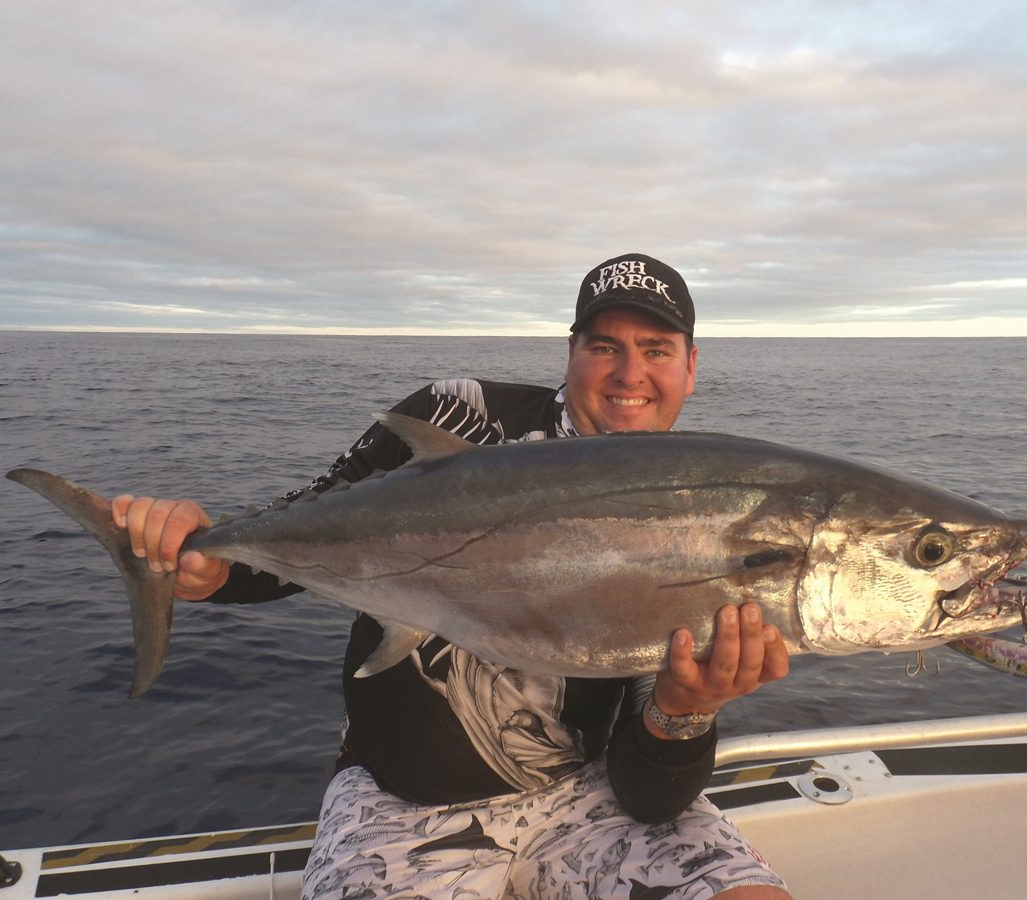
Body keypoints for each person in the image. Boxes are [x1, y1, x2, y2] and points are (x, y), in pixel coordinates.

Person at [114, 252, 794, 899]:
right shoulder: (457, 412)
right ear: (571, 352)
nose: (628, 373)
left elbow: (649, 799)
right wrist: (208, 568)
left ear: (691, 366)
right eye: (604, 346)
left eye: (657, 349)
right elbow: (312, 525)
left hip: (587, 794)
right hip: (399, 801)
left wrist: (684, 708)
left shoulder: (708, 508)